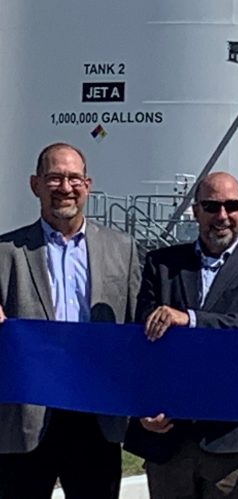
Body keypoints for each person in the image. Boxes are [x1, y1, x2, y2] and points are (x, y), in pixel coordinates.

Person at [123, 171, 238, 499]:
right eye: (212, 206)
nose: (222, 216)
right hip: (167, 436)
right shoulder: (161, 264)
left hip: (231, 440)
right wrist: (142, 409)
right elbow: (141, 340)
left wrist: (191, 319)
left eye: (232, 205)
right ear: (195, 211)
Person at [0, 142, 142, 499]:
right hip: (27, 417)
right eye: (55, 178)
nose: (66, 188)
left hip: (95, 415)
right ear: (35, 185)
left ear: (88, 184)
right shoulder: (6, 252)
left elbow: (137, 326)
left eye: (74, 178)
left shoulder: (121, 249)